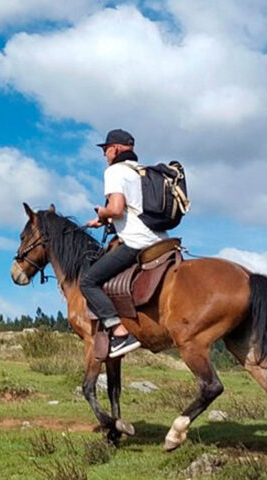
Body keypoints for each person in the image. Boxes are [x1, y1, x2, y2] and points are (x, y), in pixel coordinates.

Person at [81, 129, 167, 358]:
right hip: (162, 240)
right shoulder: (143, 171)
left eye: (105, 149)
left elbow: (117, 208)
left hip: (136, 242)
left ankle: (119, 332)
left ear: (116, 148)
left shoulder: (115, 171)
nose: (105, 155)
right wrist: (102, 220)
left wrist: (103, 210)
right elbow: (134, 208)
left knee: (88, 282)